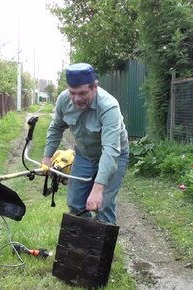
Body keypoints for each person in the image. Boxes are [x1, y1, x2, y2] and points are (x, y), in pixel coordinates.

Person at [42, 63, 129, 225]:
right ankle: (84, 246)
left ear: (95, 87)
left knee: (103, 205)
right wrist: (47, 159)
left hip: (114, 155)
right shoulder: (63, 100)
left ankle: (102, 248)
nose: (77, 99)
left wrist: (98, 189)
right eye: (72, 93)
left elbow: (111, 150)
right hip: (84, 155)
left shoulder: (109, 107)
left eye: (82, 93)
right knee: (75, 204)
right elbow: (56, 128)